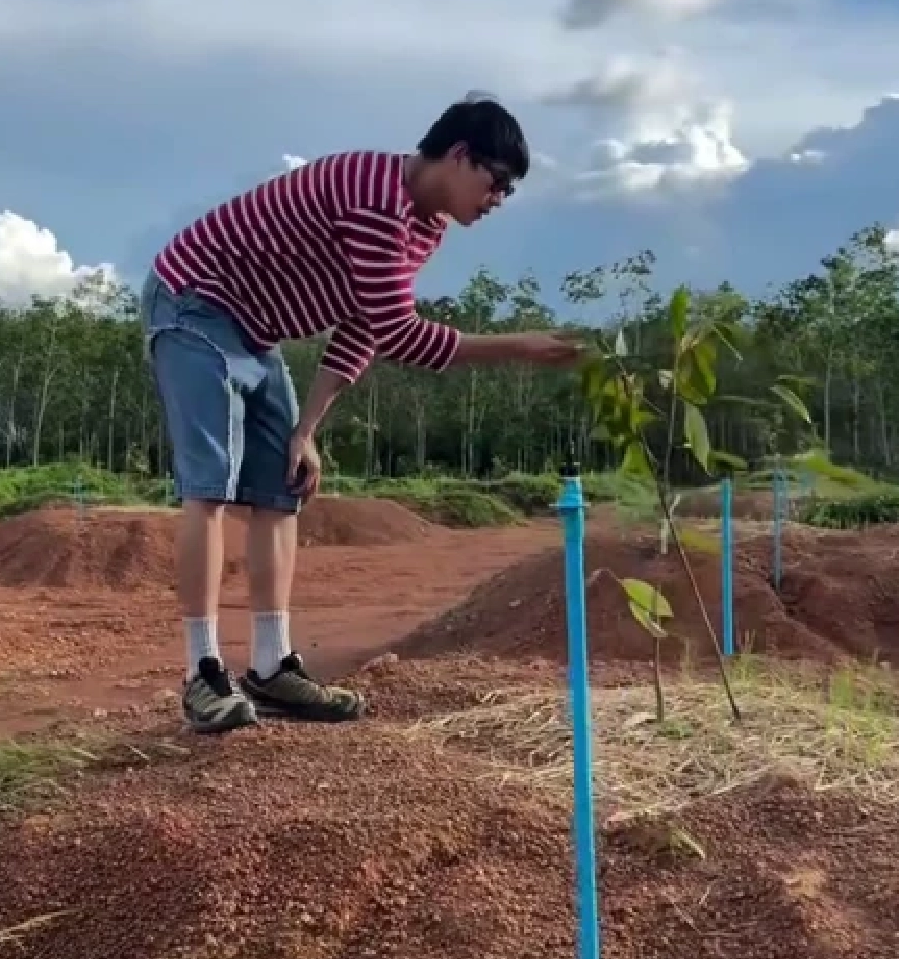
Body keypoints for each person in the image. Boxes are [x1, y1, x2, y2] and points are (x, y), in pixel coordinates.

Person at [142, 96, 584, 734]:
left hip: (257, 332)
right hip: (195, 301)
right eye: (497, 183)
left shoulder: (422, 229)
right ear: (460, 155)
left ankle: (271, 666)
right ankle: (202, 673)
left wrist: (306, 430)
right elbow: (402, 335)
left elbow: (363, 329)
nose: (497, 201)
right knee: (210, 485)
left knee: (282, 487)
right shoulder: (374, 199)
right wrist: (520, 347)